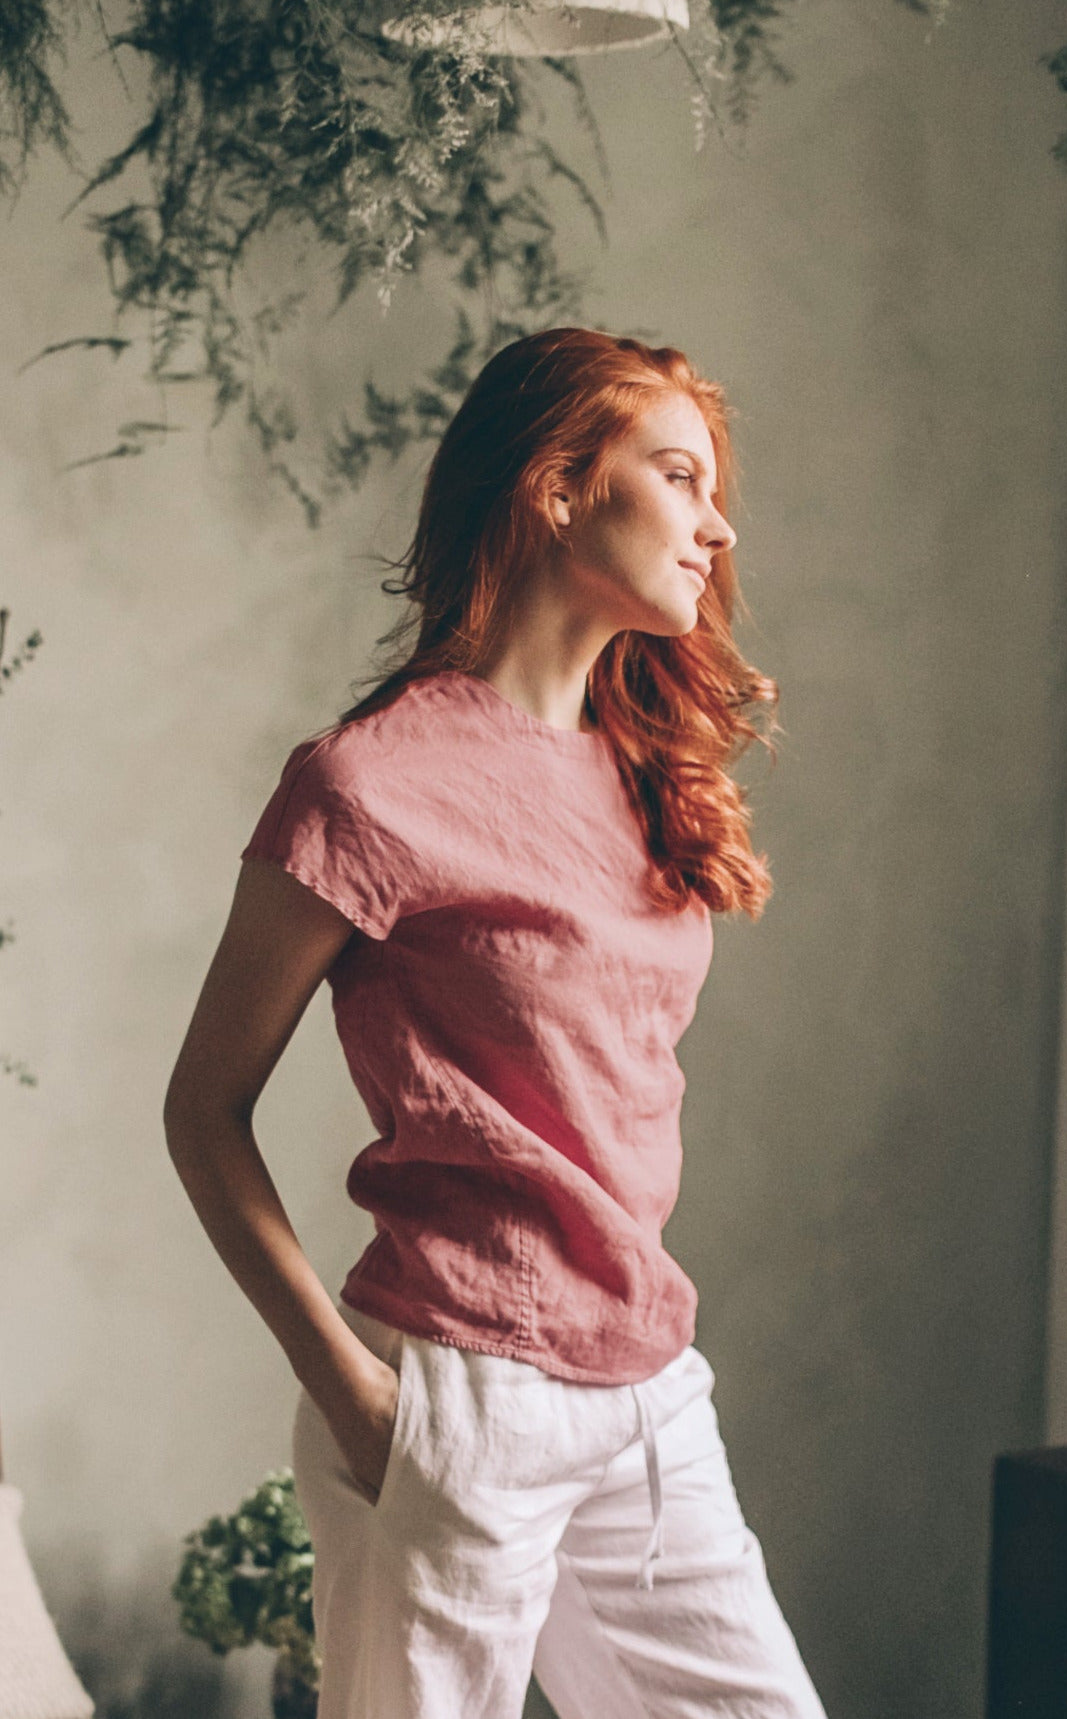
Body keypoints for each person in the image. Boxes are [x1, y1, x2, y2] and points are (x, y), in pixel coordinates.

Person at [163, 326, 829, 1719]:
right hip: (460, 1399)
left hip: (646, 1387)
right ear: (556, 486)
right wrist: (354, 1398)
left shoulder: (636, 766)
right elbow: (201, 1109)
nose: (711, 527)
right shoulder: (368, 785)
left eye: (715, 494)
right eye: (675, 477)